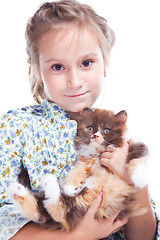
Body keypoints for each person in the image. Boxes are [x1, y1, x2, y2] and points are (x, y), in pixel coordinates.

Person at [0, 0, 159, 239]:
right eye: (57, 67)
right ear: (37, 70)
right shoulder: (17, 127)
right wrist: (77, 235)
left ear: (104, 63)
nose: (74, 81)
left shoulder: (115, 136)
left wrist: (136, 183)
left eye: (86, 63)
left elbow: (144, 236)